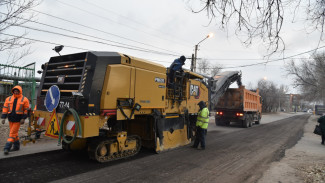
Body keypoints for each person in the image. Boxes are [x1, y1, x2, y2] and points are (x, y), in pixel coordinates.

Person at [1, 85, 30, 155]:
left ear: (20, 91)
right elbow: (5, 108)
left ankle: (7, 148)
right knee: (14, 133)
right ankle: (16, 146)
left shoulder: (25, 99)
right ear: (13, 91)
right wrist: (3, 117)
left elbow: (26, 110)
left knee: (12, 134)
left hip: (18, 120)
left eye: (17, 91)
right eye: (15, 91)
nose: (16, 92)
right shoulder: (8, 99)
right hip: (10, 118)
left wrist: (23, 118)